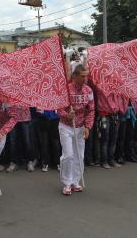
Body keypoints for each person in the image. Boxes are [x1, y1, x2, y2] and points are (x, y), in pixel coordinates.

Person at [57, 65, 94, 195]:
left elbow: (91, 110)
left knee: (79, 156)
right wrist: (66, 115)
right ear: (75, 76)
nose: (85, 78)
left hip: (80, 127)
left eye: (86, 75)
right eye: (83, 76)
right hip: (66, 126)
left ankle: (75, 181)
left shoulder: (88, 91)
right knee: (68, 155)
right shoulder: (66, 90)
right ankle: (66, 182)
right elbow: (58, 108)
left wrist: (88, 127)